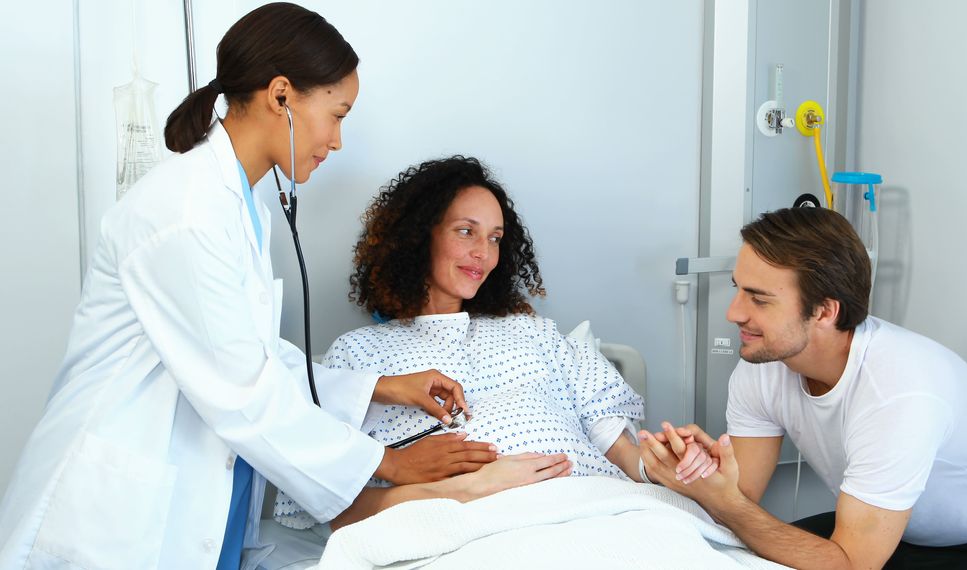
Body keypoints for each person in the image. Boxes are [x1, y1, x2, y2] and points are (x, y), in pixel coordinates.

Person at [0, 5, 562, 568]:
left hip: (188, 511)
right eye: (337, 114)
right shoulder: (187, 212)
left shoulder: (238, 209)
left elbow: (253, 358)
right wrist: (390, 464)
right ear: (281, 96)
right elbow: (246, 393)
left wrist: (383, 388)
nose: (338, 140)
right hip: (113, 516)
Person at [639, 207, 967, 570]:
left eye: (759, 298)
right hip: (894, 539)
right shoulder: (764, 362)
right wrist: (703, 475)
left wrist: (728, 502)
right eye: (738, 290)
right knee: (730, 556)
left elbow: (852, 565)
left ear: (824, 310)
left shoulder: (900, 389)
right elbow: (742, 495)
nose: (734, 313)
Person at [273, 156, 658, 529]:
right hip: (466, 527)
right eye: (465, 231)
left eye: (495, 239)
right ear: (420, 236)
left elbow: (616, 442)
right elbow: (334, 507)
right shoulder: (358, 353)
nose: (483, 253)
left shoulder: (534, 331)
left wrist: (653, 467)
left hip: (596, 510)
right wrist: (459, 491)